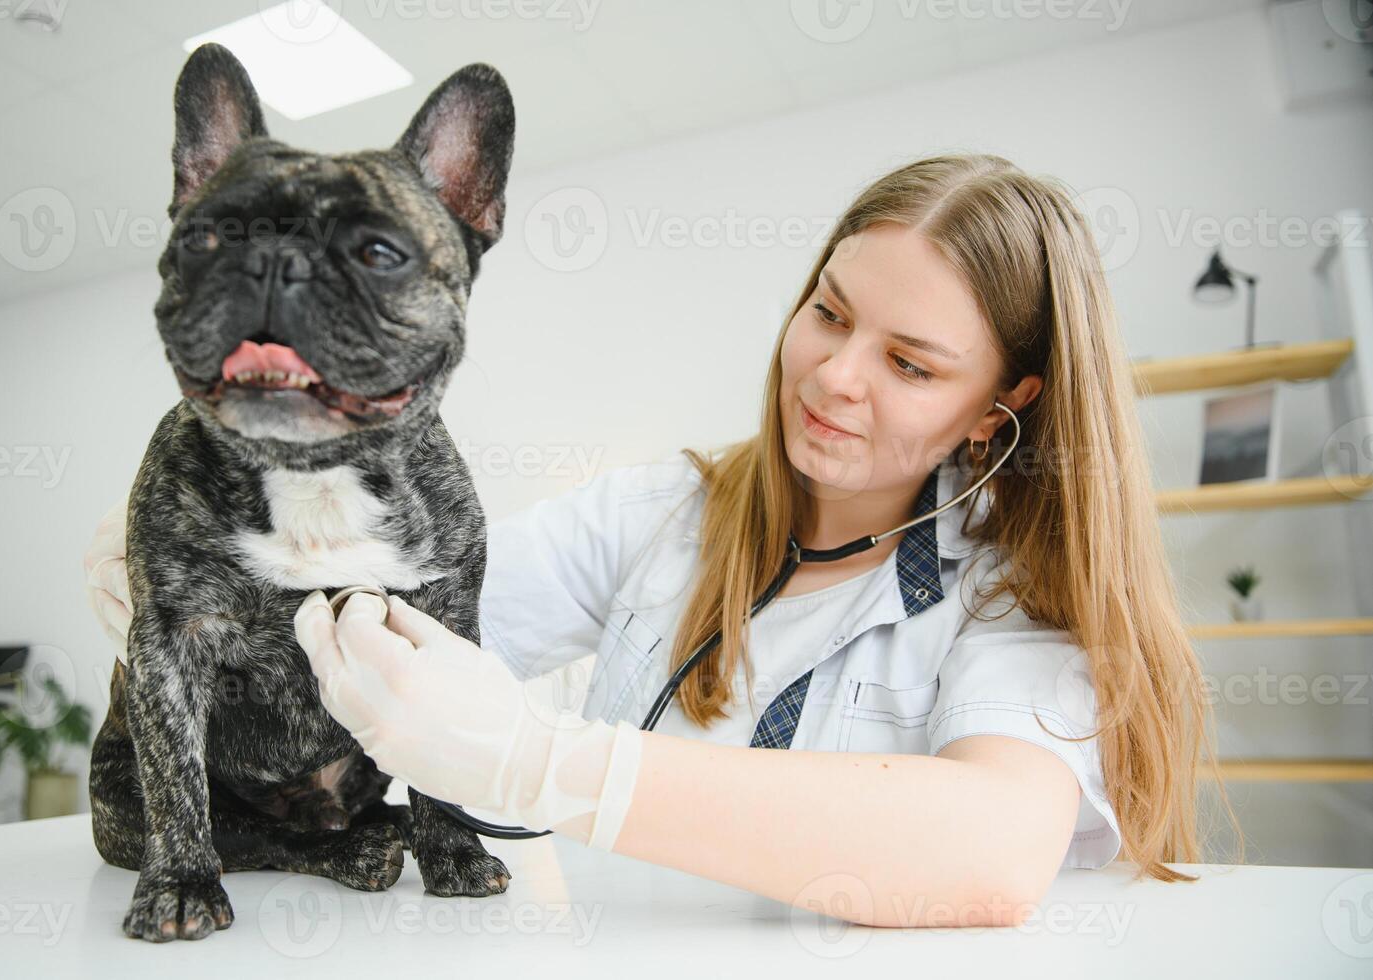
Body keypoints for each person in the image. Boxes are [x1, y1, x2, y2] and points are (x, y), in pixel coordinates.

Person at [85, 154, 1241, 929]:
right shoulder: (655, 516)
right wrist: (214, 534)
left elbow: (989, 850)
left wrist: (556, 765)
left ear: (999, 405)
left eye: (910, 361)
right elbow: (366, 627)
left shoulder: (1016, 599)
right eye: (830, 311)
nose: (833, 376)